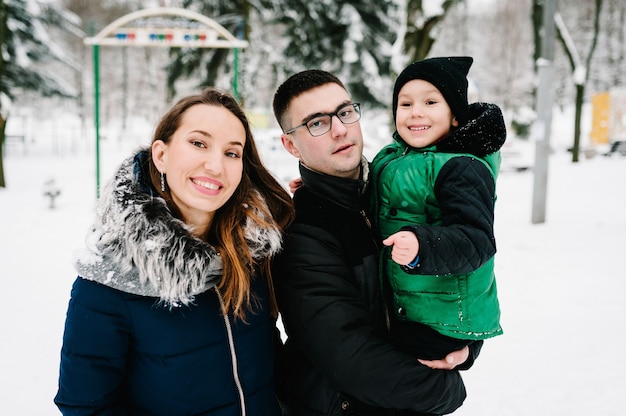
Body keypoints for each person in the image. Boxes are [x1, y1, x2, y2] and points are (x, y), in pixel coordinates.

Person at [54, 87, 295, 415]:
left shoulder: (251, 253)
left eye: (232, 153)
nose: (215, 165)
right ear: (161, 154)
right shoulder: (109, 280)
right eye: (199, 143)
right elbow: (84, 405)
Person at [271, 69, 480, 416]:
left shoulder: (398, 197)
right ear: (291, 144)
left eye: (344, 112)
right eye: (317, 123)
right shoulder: (301, 234)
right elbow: (350, 359)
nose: (340, 129)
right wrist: (447, 389)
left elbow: (461, 279)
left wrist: (464, 345)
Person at [370, 56, 505, 362]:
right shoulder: (392, 158)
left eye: (430, 102)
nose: (416, 112)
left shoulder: (462, 166)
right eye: (405, 104)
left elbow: (476, 241)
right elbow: (383, 199)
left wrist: (421, 247)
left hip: (440, 319)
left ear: (455, 116)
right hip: (408, 307)